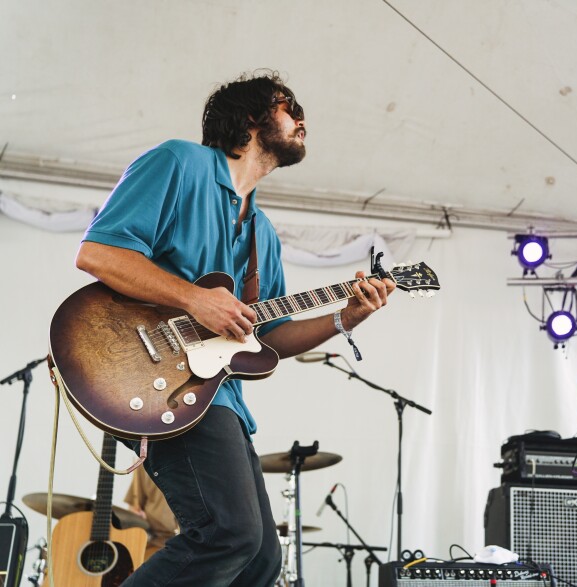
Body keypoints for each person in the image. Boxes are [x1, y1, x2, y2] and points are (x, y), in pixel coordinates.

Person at [75, 70, 396, 586]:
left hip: (219, 399)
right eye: (289, 106)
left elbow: (269, 338)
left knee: (260, 562)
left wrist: (344, 317)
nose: (302, 119)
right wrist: (195, 299)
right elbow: (98, 253)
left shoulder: (262, 234)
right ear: (250, 117)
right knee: (229, 533)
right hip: (158, 381)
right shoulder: (179, 162)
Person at [125, 465, 178, 560]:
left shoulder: (199, 462)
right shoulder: (145, 463)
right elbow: (134, 506)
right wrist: (135, 518)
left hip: (187, 542)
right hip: (153, 541)